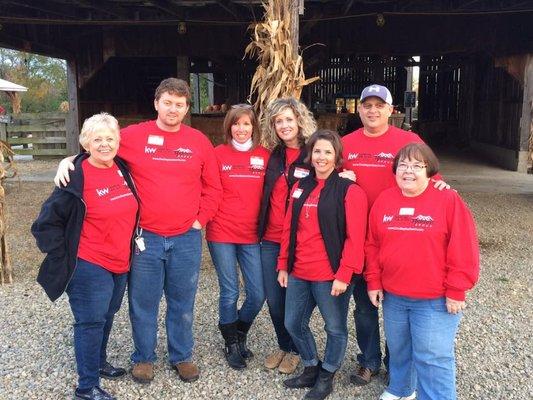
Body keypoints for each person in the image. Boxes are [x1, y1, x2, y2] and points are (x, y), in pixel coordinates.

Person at [54, 78, 222, 384]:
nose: (173, 109)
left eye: (180, 104)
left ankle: (182, 355)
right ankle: (144, 357)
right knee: (143, 302)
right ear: (156, 103)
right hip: (146, 238)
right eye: (167, 102)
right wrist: (70, 160)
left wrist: (200, 220)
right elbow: (100, 146)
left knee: (182, 300)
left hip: (186, 238)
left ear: (187, 108)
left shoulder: (198, 141)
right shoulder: (133, 136)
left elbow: (213, 187)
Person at [341, 84, 448, 386]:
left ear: (391, 110)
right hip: (361, 238)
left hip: (400, 237)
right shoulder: (346, 144)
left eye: (379, 105)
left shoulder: (409, 141)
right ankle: (369, 361)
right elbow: (327, 177)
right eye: (367, 105)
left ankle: (397, 365)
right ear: (359, 109)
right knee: (365, 306)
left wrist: (441, 186)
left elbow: (431, 175)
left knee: (398, 309)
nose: (373, 110)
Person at [32, 113, 140, 400]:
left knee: (107, 314)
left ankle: (98, 362)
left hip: (120, 259)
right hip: (88, 262)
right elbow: (44, 224)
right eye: (97, 139)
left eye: (110, 139)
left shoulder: (122, 168)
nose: (104, 145)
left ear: (118, 141)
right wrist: (66, 254)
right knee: (91, 320)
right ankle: (86, 387)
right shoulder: (74, 176)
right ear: (85, 143)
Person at [365, 143, 479, 400]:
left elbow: (463, 245)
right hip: (394, 296)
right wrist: (373, 280)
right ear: (395, 170)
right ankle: (401, 389)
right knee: (399, 348)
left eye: (417, 166)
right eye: (403, 165)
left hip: (434, 299)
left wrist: (456, 289)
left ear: (430, 171)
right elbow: (371, 244)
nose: (409, 171)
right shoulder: (385, 199)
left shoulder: (448, 200)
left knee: (432, 356)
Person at [277, 130, 368, 400]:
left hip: (330, 275)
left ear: (337, 156)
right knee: (293, 323)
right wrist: (283, 264)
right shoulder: (300, 186)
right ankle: (310, 366)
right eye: (317, 151)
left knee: (335, 328)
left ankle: (327, 375)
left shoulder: (349, 191)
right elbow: (287, 229)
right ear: (310, 154)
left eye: (328, 152)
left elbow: (355, 237)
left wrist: (344, 274)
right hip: (299, 271)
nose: (322, 157)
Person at [206, 104, 270, 370]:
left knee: (257, 293)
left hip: (251, 234)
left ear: (254, 127)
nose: (241, 129)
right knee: (230, 290)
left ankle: (239, 331)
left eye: (246, 124)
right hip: (221, 231)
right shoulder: (217, 154)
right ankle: (231, 343)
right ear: (228, 126)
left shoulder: (265, 156)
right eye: (236, 124)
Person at [257, 97, 316, 374]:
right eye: (278, 121)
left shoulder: (314, 153)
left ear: (299, 120)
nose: (284, 125)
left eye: (289, 119)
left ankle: (295, 349)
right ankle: (284, 344)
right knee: (274, 298)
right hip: (270, 238)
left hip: (299, 241)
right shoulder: (273, 155)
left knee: (294, 299)